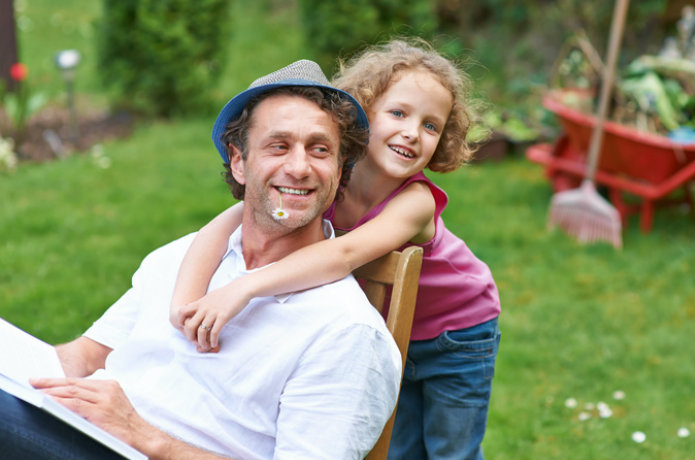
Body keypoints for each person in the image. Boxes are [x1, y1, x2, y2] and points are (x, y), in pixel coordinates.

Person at [0, 60, 402, 460]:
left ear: (338, 169)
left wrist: (146, 437)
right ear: (239, 161)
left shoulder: (346, 332)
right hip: (82, 431)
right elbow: (86, 355)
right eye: (278, 146)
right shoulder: (186, 256)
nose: (299, 168)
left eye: (319, 150)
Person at [171, 39, 501, 460]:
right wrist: (184, 303)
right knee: (400, 451)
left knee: (451, 451)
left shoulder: (416, 202)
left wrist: (245, 287)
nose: (411, 133)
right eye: (398, 113)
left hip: (457, 337)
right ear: (362, 114)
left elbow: (344, 255)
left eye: (430, 126)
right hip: (390, 335)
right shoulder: (328, 179)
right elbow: (227, 220)